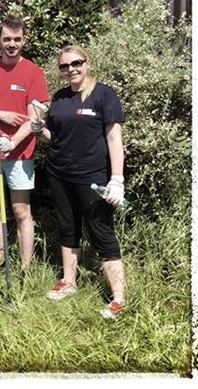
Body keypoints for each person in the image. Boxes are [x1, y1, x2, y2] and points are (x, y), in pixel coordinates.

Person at [31, 45, 127, 319]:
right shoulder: (60, 98)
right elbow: (54, 138)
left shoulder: (104, 95)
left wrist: (117, 179)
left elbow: (114, 139)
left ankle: (119, 298)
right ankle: (69, 282)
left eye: (76, 63)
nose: (71, 69)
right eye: (64, 66)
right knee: (67, 227)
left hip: (92, 177)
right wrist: (40, 130)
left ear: (87, 63)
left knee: (101, 232)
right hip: (59, 174)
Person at [0, 16, 49, 269]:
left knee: (21, 210)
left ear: (24, 40)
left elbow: (34, 118)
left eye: (16, 39)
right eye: (7, 39)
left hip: (20, 154)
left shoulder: (34, 72)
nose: (12, 44)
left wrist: (13, 142)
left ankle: (25, 267)